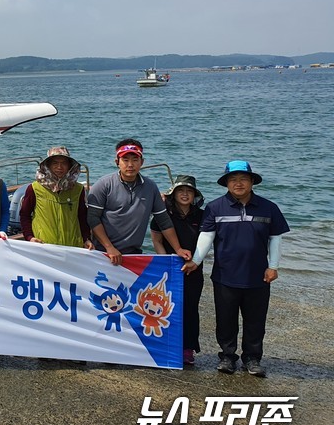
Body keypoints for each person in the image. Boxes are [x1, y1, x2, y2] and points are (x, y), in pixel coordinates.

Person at [182, 161, 289, 377]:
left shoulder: (269, 207)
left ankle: (252, 358)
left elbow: (275, 239)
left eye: (243, 179)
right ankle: (227, 357)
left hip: (258, 277)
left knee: (255, 321)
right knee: (225, 320)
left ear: (251, 182)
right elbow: (206, 237)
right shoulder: (215, 207)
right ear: (226, 183)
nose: (238, 183)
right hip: (224, 276)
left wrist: (273, 266)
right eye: (233, 179)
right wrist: (195, 260)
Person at [87, 139, 192, 265]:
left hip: (133, 253)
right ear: (117, 162)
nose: (130, 165)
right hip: (103, 252)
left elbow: (163, 221)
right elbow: (93, 218)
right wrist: (109, 247)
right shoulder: (104, 184)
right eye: (125, 160)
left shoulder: (151, 187)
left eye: (135, 160)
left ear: (142, 162)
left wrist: (178, 249)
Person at [151, 175, 205, 366]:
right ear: (173, 194)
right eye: (180, 190)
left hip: (194, 269)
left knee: (190, 309)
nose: (184, 194)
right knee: (165, 308)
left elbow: (206, 243)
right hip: (168, 269)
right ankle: (165, 345)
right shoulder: (163, 215)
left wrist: (196, 261)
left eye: (189, 191)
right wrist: (167, 262)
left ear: (194, 195)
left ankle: (188, 349)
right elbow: (157, 240)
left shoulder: (201, 216)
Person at [19, 146, 90, 247]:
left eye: (64, 163)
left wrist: (86, 239)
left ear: (70, 166)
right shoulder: (34, 188)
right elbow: (24, 215)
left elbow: (82, 217)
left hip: (73, 246)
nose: (59, 167)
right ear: (48, 165)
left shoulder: (78, 189)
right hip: (44, 246)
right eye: (55, 163)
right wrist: (29, 237)